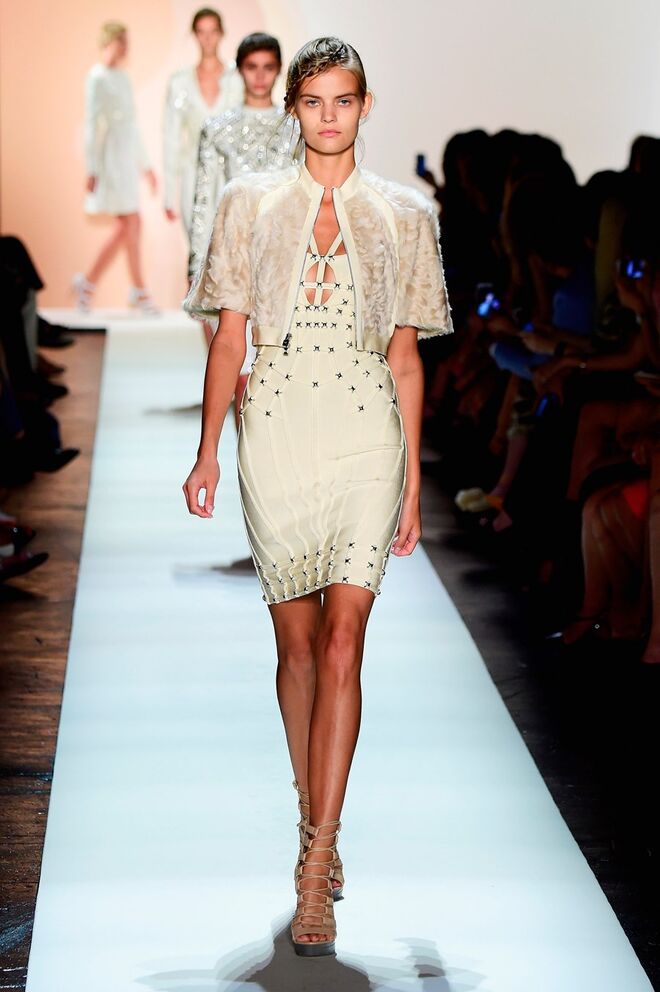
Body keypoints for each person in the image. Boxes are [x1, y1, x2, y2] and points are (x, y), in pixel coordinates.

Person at [182, 37, 452, 956]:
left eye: (344, 100)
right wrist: (206, 451)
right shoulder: (248, 203)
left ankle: (317, 863)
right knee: (296, 646)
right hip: (278, 423)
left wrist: (413, 480)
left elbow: (406, 358)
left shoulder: (405, 215)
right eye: (313, 101)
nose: (328, 117)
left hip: (367, 427)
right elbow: (229, 339)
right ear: (294, 107)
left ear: (365, 106)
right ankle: (312, 815)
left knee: (344, 639)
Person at [189, 31, 296, 424]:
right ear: (240, 70)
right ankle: (243, 448)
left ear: (278, 70)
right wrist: (197, 262)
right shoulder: (218, 128)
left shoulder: (295, 126)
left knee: (278, 368)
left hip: (285, 256)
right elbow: (205, 199)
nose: (260, 76)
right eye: (252, 67)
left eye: (268, 67)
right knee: (236, 366)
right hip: (233, 255)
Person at [72, 22, 159, 315]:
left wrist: (146, 166)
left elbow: (132, 125)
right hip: (109, 159)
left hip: (126, 158)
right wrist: (92, 168)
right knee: (130, 222)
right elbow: (92, 124)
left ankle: (90, 284)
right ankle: (137, 290)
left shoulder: (122, 77)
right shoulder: (96, 77)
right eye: (122, 40)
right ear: (109, 41)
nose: (125, 46)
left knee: (130, 224)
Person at [163, 7, 244, 243]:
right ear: (195, 35)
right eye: (201, 32)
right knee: (197, 249)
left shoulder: (237, 79)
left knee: (231, 249)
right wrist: (169, 193)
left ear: (221, 33)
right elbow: (171, 138)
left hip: (231, 177)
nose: (207, 38)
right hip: (193, 178)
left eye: (213, 31)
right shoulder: (180, 83)